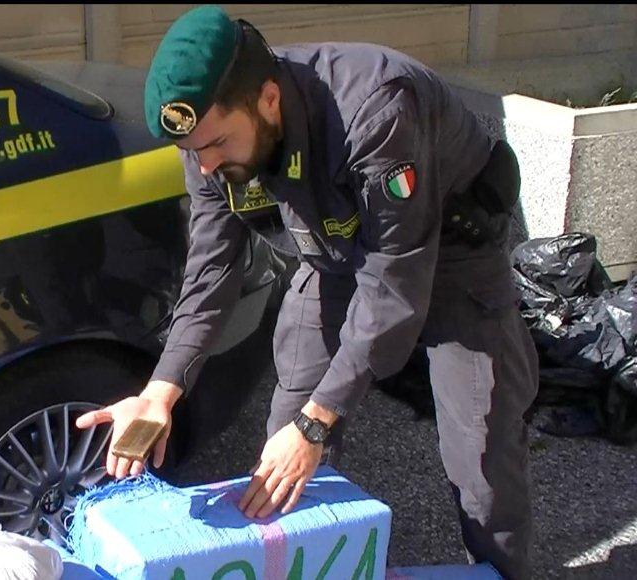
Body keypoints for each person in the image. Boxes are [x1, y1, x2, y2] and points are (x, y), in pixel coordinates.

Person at [75, 5, 539, 579]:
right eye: (193, 151)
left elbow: (392, 288)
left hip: (447, 255)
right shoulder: (206, 141)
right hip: (333, 254)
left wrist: (320, 423)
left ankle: (501, 571)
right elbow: (211, 272)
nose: (206, 165)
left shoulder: (376, 110)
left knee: (481, 452)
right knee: (286, 437)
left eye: (216, 144)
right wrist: (161, 390)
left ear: (268, 100)